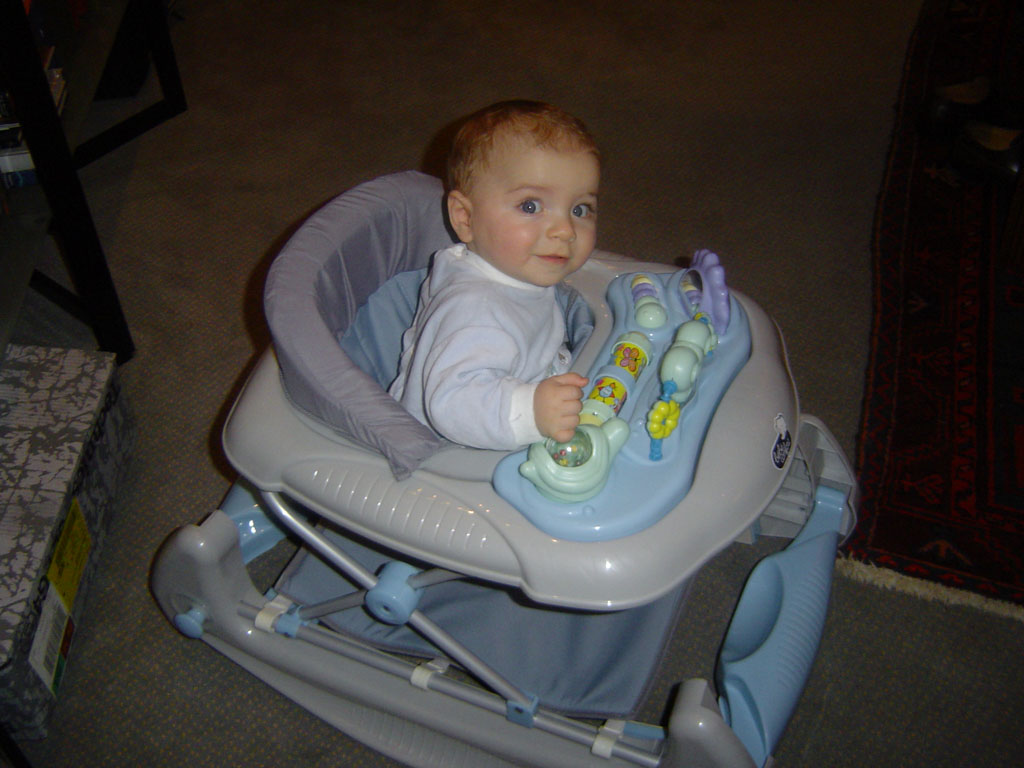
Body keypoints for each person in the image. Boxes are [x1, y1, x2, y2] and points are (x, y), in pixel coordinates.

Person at [388, 100, 600, 449]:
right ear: (465, 218)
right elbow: (453, 402)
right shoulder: (476, 310)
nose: (565, 230)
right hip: (453, 452)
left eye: (580, 209)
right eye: (530, 206)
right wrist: (531, 411)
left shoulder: (511, 267)